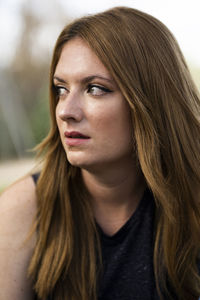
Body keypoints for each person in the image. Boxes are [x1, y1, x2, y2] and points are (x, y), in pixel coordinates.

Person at [0, 6, 200, 300]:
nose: (66, 111)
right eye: (61, 89)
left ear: (150, 100)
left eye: (94, 88)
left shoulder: (193, 202)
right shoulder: (25, 209)